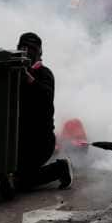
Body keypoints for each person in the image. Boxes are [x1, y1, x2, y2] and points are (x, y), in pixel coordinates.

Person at [14, 32, 72, 191]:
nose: (26, 53)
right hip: (19, 139)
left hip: (40, 141)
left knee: (21, 182)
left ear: (39, 53)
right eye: (23, 48)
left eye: (31, 49)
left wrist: (29, 80)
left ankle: (59, 169)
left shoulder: (44, 74)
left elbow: (46, 98)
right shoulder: (14, 73)